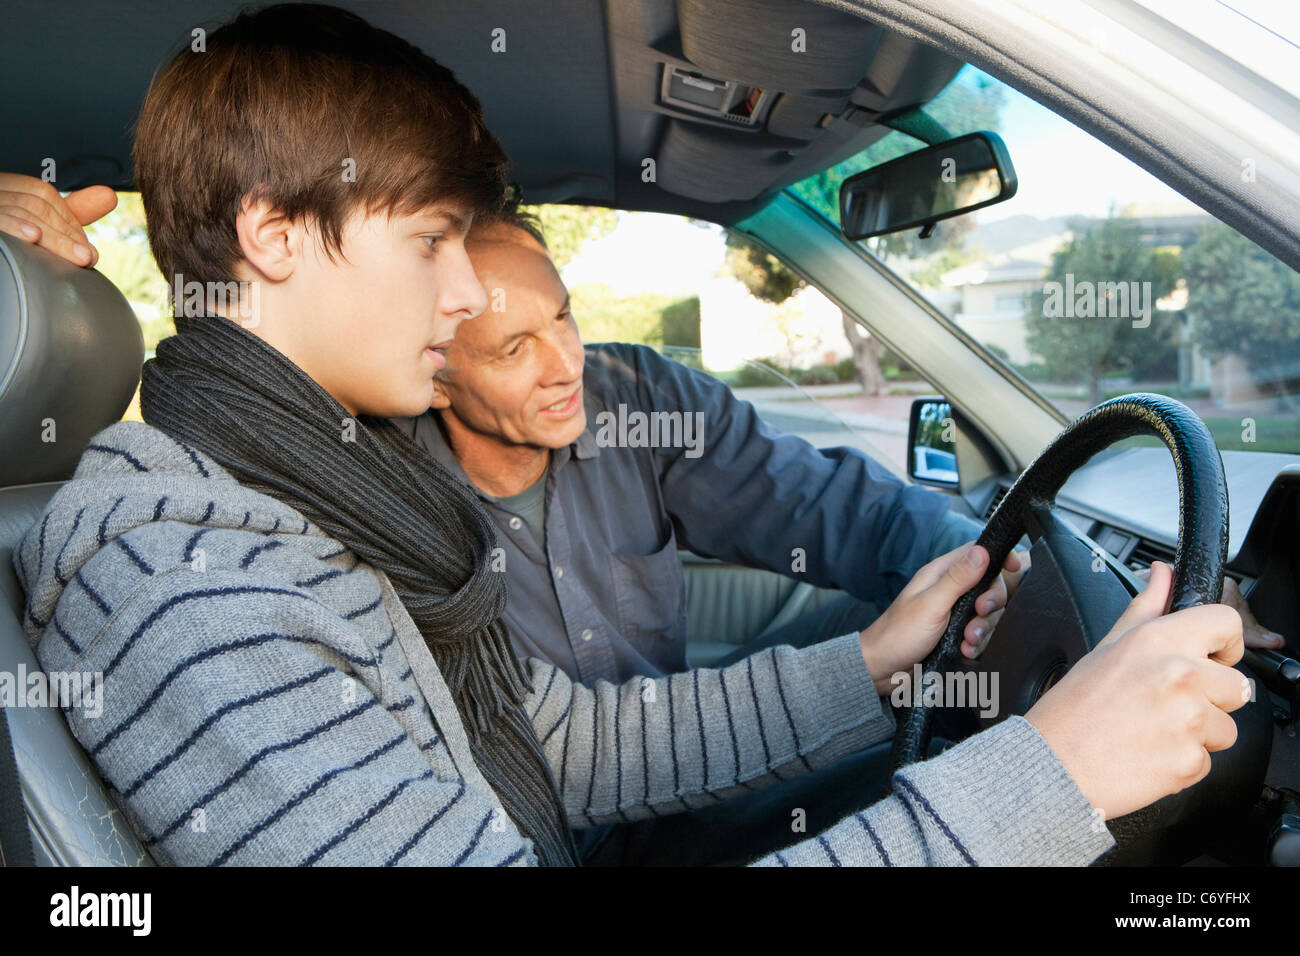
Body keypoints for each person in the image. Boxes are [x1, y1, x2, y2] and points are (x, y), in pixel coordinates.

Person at [7, 4, 1250, 867]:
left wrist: (872, 659)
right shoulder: (188, 582)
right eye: (430, 241)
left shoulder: (319, 496)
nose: (459, 297)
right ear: (275, 236)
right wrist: (1053, 775)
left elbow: (560, 740)